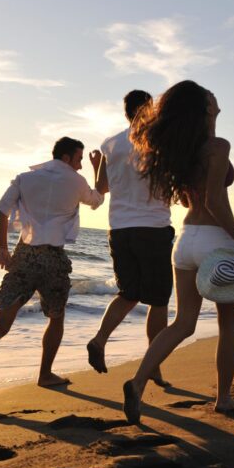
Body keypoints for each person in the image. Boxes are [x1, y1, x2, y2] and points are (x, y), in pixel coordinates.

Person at [121, 81, 234, 422]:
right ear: (203, 107)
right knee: (228, 325)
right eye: (209, 94)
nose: (215, 95)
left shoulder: (182, 149)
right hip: (217, 240)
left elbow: (191, 200)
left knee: (183, 322)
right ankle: (224, 398)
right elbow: (214, 201)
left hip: (187, 241)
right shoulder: (217, 146)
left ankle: (138, 381)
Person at [0, 137, 104, 405]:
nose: (80, 165)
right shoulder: (76, 182)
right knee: (56, 317)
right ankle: (45, 374)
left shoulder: (24, 178)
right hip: (53, 259)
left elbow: (0, 210)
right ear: (67, 158)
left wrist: (2, 248)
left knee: (2, 323)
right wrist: (98, 166)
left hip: (24, 255)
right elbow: (98, 198)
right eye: (79, 159)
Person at [86, 90, 173, 387]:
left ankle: (99, 340)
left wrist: (97, 163)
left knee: (128, 293)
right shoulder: (158, 139)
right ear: (150, 109)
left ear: (125, 112)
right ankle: (154, 365)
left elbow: (101, 187)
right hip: (152, 227)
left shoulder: (110, 143)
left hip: (119, 229)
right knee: (158, 300)